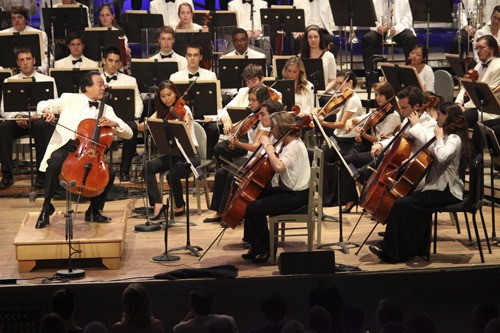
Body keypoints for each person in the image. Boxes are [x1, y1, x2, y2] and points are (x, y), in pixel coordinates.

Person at [369, 102, 469, 263]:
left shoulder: (455, 138)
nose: (437, 118)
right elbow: (429, 152)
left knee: (402, 204)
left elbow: (442, 155)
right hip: (436, 188)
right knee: (404, 203)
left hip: (447, 191)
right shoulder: (445, 136)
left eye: (441, 115)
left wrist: (438, 138)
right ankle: (408, 249)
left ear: (448, 117)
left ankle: (392, 253)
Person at [35, 71, 133, 229]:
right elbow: (43, 103)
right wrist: (47, 111)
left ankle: (94, 211)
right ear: (87, 87)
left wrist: (114, 123)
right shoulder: (70, 98)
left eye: (103, 85)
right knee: (54, 162)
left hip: (92, 152)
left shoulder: (107, 109)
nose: (104, 87)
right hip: (70, 146)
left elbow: (129, 133)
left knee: (110, 173)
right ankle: (47, 206)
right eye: (99, 84)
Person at [243, 111, 310, 263]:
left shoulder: (294, 146)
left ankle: (266, 249)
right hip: (288, 190)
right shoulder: (286, 143)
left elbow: (279, 166)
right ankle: (255, 245)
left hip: (296, 195)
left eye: (273, 127)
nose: (271, 131)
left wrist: (267, 145)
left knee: (254, 207)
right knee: (253, 197)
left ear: (280, 128)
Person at [204, 96, 282, 223]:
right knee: (220, 172)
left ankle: (231, 212)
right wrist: (238, 122)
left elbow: (256, 148)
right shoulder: (255, 118)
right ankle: (219, 211)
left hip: (258, 160)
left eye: (253, 100)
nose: (250, 103)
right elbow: (235, 130)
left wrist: (238, 144)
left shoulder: (268, 126)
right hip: (255, 158)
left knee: (232, 175)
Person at [331, 81, 401, 211]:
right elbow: (359, 118)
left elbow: (379, 139)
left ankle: (368, 195)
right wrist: (350, 121)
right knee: (346, 161)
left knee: (357, 169)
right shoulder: (378, 111)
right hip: (373, 152)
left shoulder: (393, 116)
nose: (378, 97)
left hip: (382, 154)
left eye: (381, 95)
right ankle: (352, 198)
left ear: (389, 96)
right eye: (376, 94)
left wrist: (364, 135)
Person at [140, 80, 199, 219]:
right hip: (173, 153)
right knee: (147, 167)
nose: (167, 99)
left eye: (169, 94)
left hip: (190, 155)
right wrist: (148, 122)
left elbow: (187, 120)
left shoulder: (184, 109)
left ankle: (180, 205)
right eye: (163, 96)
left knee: (171, 174)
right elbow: (141, 127)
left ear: (175, 93)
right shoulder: (161, 111)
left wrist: (183, 121)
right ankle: (157, 203)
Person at [0, 48, 57, 190]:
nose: (25, 63)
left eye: (28, 59)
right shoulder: (9, 80)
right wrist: (16, 116)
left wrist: (40, 114)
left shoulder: (48, 80)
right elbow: (3, 108)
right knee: (4, 127)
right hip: (19, 120)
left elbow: (54, 105)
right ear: (17, 63)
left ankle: (41, 174)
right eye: (21, 60)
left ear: (34, 61)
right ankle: (7, 174)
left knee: (42, 126)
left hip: (38, 120)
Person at [100, 47, 143, 182]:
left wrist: (135, 117)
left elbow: (138, 102)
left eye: (116, 61)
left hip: (123, 120)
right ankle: (98, 168)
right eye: (110, 60)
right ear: (103, 61)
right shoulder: (95, 79)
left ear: (120, 63)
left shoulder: (130, 80)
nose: (113, 64)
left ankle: (124, 170)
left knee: (133, 128)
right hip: (102, 120)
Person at [170, 44, 218, 159]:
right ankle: (183, 160)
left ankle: (207, 159)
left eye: (195, 55)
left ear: (200, 57)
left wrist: (210, 117)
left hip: (204, 116)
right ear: (185, 57)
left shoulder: (211, 75)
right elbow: (173, 103)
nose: (192, 58)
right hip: (182, 118)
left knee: (213, 128)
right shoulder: (175, 77)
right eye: (190, 55)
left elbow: (216, 101)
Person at [361, 0, 418, 80]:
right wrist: (378, 27)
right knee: (367, 39)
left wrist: (396, 29)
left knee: (411, 38)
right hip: (381, 30)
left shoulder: (404, 1)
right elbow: (371, 19)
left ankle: (409, 75)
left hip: (398, 29)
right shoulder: (374, 1)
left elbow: (408, 20)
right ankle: (370, 77)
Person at [455, 35, 500, 129]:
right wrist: (458, 103)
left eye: (482, 48)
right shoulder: (479, 65)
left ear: (492, 49)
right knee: (449, 111)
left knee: (461, 118)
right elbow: (465, 86)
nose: (478, 51)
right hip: (474, 107)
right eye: (476, 48)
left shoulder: (498, 66)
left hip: (489, 111)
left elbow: (488, 95)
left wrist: (465, 107)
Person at [0, 6, 49, 74]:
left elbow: (46, 57)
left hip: (33, 72)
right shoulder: (2, 35)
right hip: (8, 73)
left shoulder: (40, 34)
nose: (16, 20)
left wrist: (39, 70)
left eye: (20, 17)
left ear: (26, 19)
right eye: (13, 18)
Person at [173, 286, 238, 333]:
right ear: (212, 303)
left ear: (191, 306)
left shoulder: (181, 328)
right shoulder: (228, 320)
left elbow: (177, 328)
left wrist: (188, 316)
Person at [299, 25, 337, 95]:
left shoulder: (329, 56)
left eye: (316, 37)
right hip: (306, 93)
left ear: (320, 38)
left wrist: (323, 91)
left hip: (324, 93)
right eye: (310, 37)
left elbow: (333, 80)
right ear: (307, 40)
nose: (313, 40)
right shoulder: (300, 56)